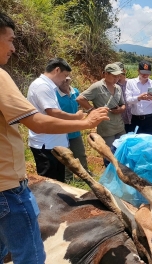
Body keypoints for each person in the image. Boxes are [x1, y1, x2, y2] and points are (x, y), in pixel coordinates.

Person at [0, 12, 109, 263]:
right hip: (7, 185)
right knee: (31, 253)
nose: (14, 48)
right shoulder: (17, 80)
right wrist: (86, 122)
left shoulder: (49, 86)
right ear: (57, 70)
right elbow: (39, 119)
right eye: (10, 40)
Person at [27, 58, 86, 182]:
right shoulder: (42, 86)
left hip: (53, 143)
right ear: (57, 70)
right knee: (49, 185)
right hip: (46, 144)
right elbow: (53, 112)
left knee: (58, 183)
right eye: (65, 75)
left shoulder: (48, 86)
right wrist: (76, 118)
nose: (65, 79)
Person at [76, 63, 126, 158]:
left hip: (119, 126)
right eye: (114, 76)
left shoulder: (118, 88)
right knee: (110, 155)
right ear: (106, 74)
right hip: (106, 127)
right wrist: (93, 110)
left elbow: (122, 104)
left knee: (122, 153)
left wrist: (121, 109)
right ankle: (110, 173)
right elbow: (80, 99)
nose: (116, 79)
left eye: (118, 76)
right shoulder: (97, 87)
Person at [56, 76, 91, 180]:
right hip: (62, 130)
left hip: (75, 129)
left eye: (67, 79)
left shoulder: (75, 91)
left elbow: (79, 106)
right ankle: (68, 178)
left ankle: (86, 174)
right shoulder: (55, 94)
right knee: (66, 155)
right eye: (63, 79)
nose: (65, 82)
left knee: (80, 153)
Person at [125, 60, 152, 135]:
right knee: (135, 142)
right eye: (143, 72)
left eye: (147, 73)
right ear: (138, 71)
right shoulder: (130, 83)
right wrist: (139, 98)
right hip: (135, 119)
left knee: (150, 143)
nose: (145, 75)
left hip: (150, 119)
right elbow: (128, 100)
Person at [114, 61, 133, 133]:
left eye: (119, 71)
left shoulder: (132, 83)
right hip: (120, 120)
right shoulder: (113, 86)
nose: (117, 74)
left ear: (124, 71)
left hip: (133, 118)